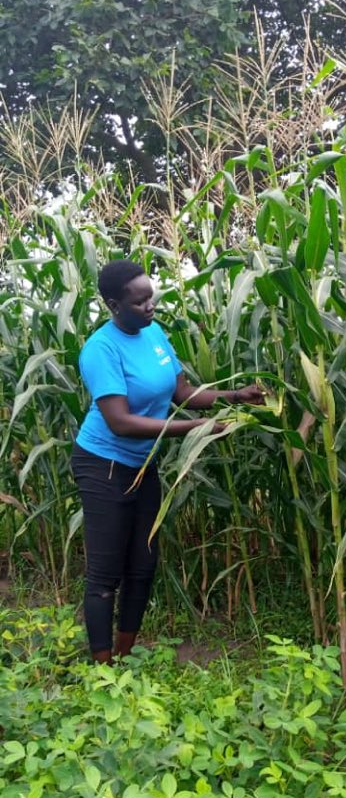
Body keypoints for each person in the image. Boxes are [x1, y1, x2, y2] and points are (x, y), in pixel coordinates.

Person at [71, 259, 263, 664]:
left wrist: (233, 397)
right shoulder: (100, 349)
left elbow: (183, 394)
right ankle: (103, 671)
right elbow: (120, 422)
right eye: (139, 302)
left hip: (144, 465)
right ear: (113, 304)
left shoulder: (154, 334)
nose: (150, 306)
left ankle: (125, 657)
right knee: (105, 574)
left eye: (151, 297)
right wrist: (197, 429)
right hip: (103, 464)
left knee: (142, 566)